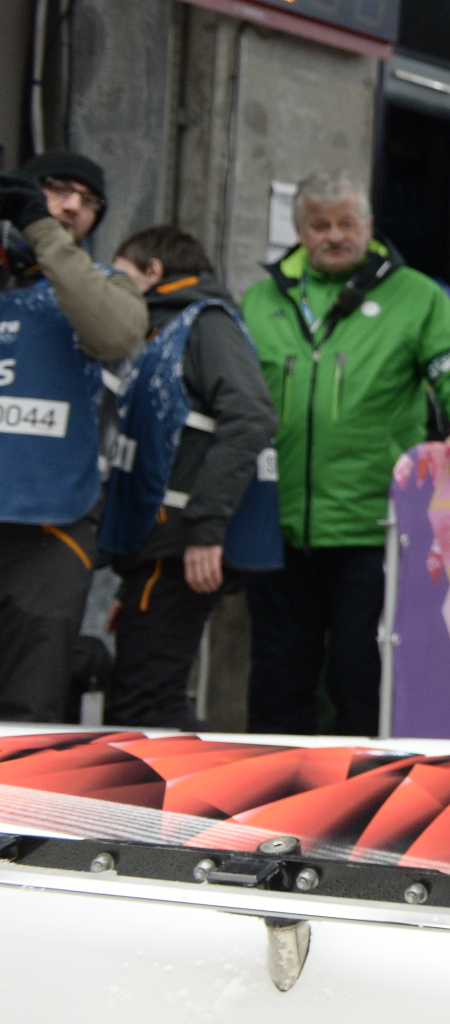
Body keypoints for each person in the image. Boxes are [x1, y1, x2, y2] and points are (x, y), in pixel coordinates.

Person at [242, 169, 450, 736]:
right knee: (278, 678)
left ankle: (362, 804)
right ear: (299, 230)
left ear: (369, 226)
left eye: (346, 223)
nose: (334, 235)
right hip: (277, 527)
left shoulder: (417, 296)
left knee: (362, 676)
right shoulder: (261, 301)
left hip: (372, 527)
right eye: (319, 225)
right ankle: (270, 799)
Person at [97, 226, 280, 729]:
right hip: (154, 551)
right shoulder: (163, 332)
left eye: (121, 277)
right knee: (142, 698)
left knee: (146, 705)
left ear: (154, 272)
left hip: (179, 546)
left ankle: (201, 806)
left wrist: (206, 528)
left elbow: (252, 416)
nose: (111, 291)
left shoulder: (206, 323)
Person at [0, 151, 148, 721]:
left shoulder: (106, 287)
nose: (71, 207)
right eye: (57, 191)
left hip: (50, 525)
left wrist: (40, 228)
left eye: (87, 202)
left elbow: (113, 332)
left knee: (24, 709)